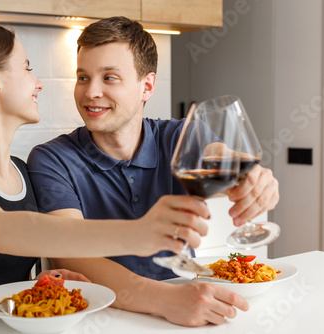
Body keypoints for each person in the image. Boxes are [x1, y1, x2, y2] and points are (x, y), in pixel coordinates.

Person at [0, 23, 205, 331]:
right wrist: (138, 233)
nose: (38, 82)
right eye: (27, 68)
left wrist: (38, 282)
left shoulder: (22, 172)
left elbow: (7, 263)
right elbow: (3, 230)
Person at [27, 16, 279, 326]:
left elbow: (223, 157)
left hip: (186, 302)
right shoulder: (52, 159)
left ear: (147, 86)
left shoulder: (180, 136)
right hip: (98, 316)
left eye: (109, 78)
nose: (91, 91)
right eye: (83, 77)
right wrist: (164, 300)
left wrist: (255, 178)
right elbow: (70, 252)